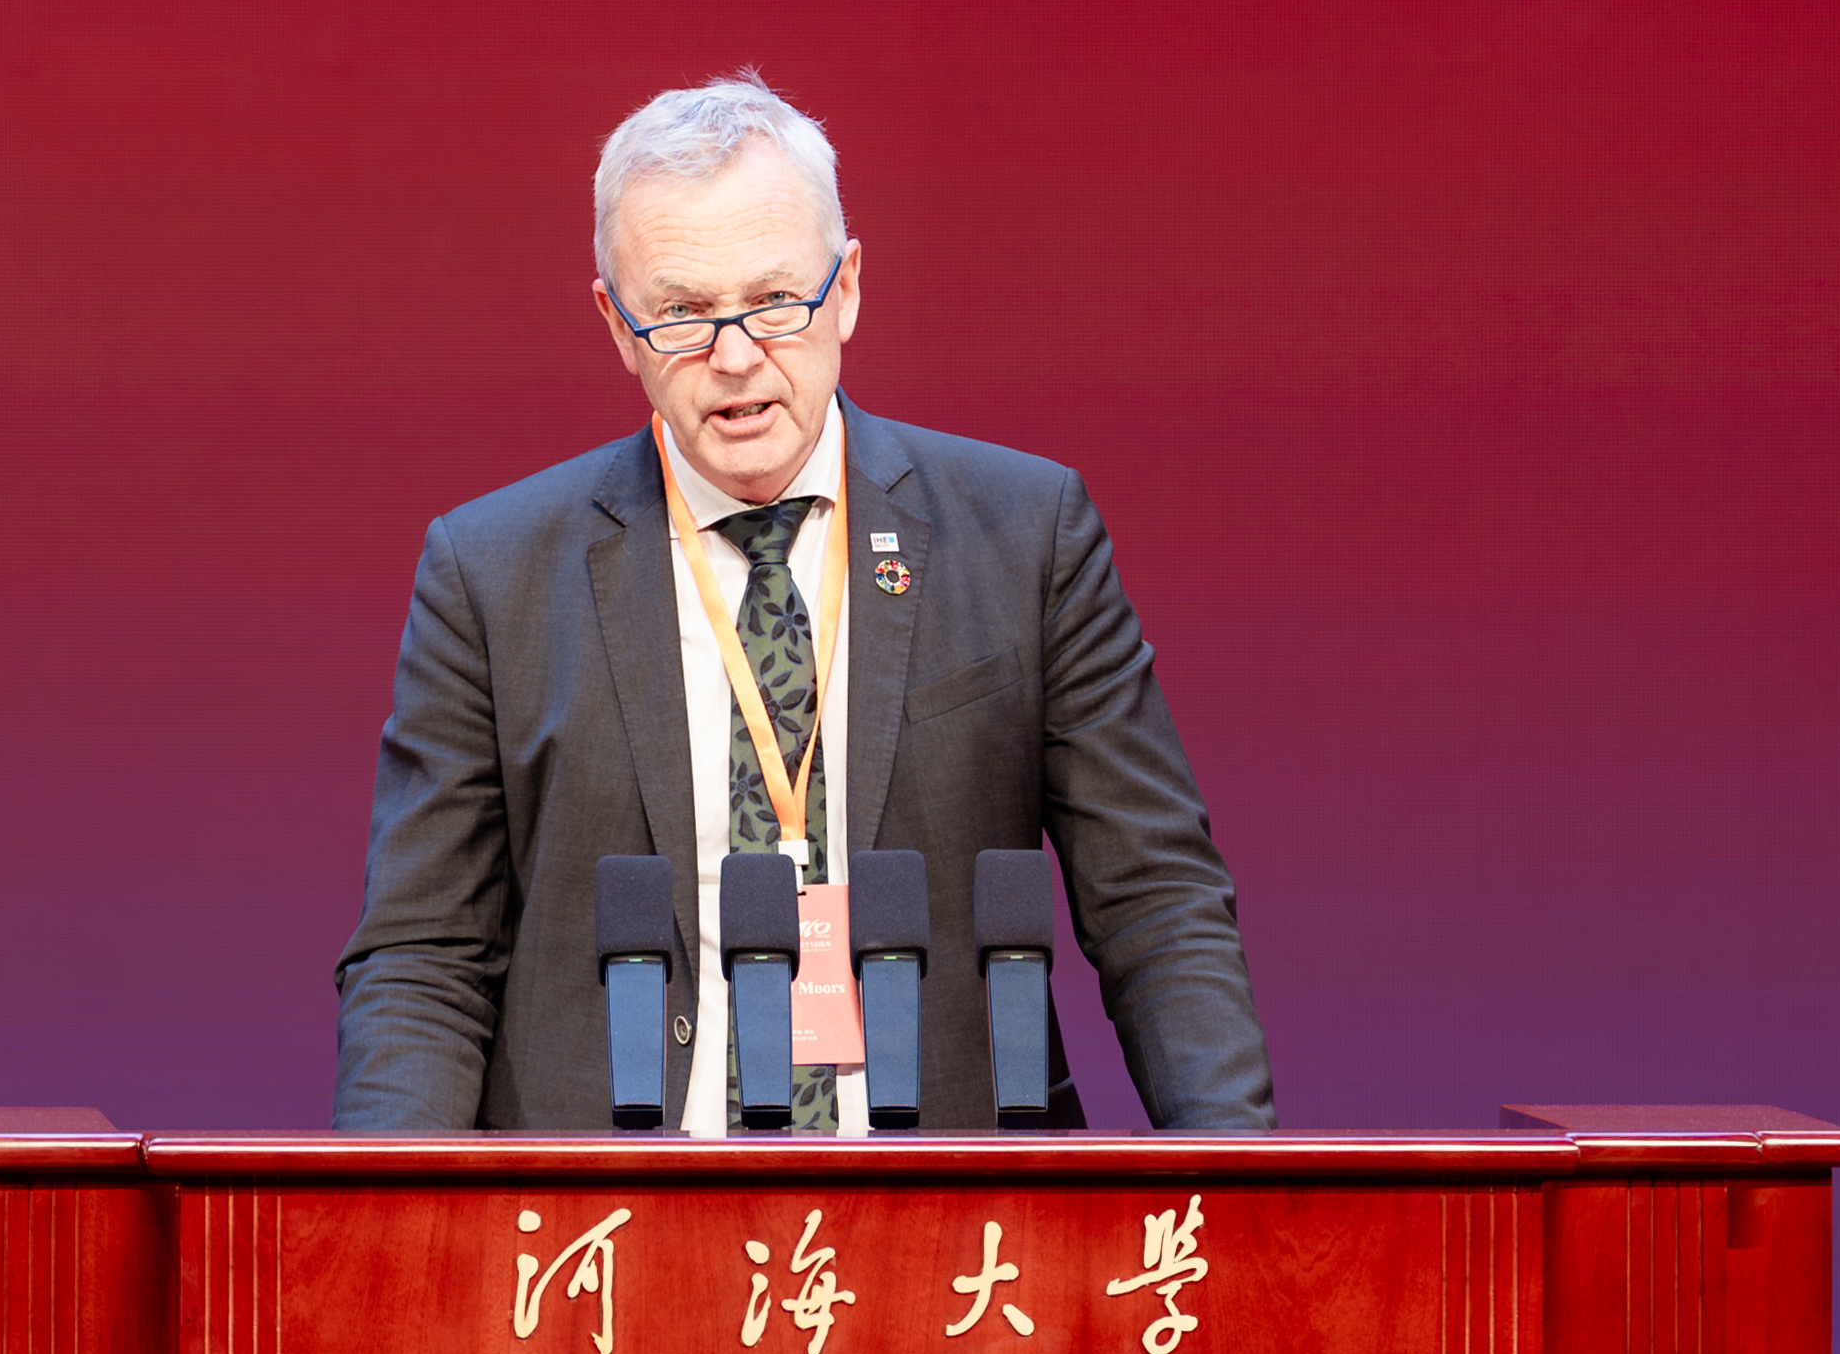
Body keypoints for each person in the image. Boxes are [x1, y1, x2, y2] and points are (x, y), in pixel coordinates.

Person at [333, 76, 1273, 1135]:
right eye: (682, 314)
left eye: (776, 299)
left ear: (848, 288)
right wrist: (393, 1223)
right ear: (616, 324)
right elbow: (422, 957)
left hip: (958, 1203)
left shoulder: (1024, 535)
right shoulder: (492, 574)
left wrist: (1242, 1189)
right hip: (609, 1208)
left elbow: (1156, 901)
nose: (736, 356)